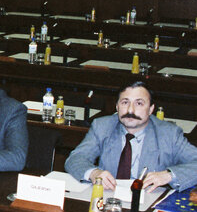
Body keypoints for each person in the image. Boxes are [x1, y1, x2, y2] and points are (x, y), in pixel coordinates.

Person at [65, 81, 197, 192]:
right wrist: (93, 173)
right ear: (117, 107)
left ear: (151, 109)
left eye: (139, 103)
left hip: (149, 200)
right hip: (108, 197)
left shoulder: (169, 134)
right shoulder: (102, 126)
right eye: (125, 102)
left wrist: (170, 175)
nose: (130, 110)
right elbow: (76, 158)